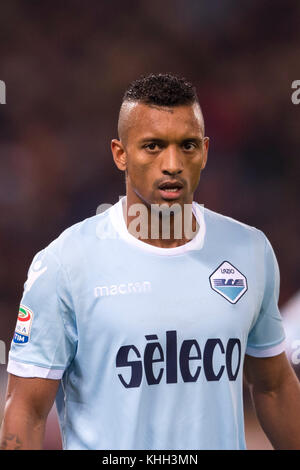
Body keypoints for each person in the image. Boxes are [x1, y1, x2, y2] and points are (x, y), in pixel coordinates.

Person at [1, 73, 300, 450]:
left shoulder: (249, 250)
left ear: (205, 151)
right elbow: (25, 411)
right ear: (120, 153)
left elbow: (273, 386)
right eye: (153, 146)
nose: (172, 163)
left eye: (187, 145)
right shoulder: (65, 263)